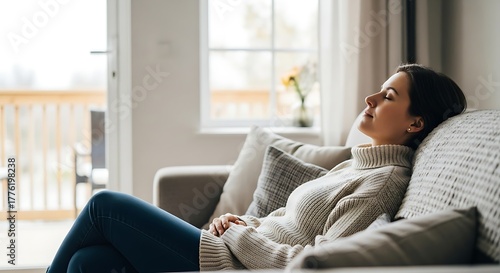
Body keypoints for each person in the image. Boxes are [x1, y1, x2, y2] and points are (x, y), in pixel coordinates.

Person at [47, 64, 467, 273]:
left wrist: (239, 235)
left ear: (416, 123)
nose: (370, 98)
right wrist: (241, 220)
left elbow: (315, 263)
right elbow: (286, 222)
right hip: (230, 250)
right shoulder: (355, 166)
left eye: (389, 95)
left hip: (232, 266)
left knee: (104, 205)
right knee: (90, 262)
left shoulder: (382, 183)